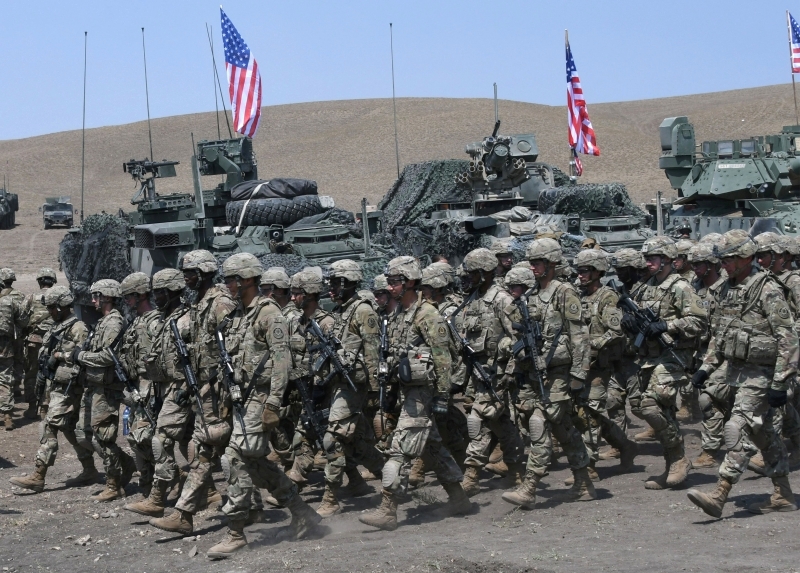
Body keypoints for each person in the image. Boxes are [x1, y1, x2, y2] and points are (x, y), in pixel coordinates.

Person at [209, 253, 320, 559]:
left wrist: (273, 401)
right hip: (243, 400)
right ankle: (303, 514)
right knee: (258, 463)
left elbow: (282, 359)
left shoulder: (268, 313)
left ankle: (236, 533)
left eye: (231, 279)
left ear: (245, 279)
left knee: (234, 459)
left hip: (261, 399)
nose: (227, 285)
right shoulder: (240, 315)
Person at [687, 229, 799, 517]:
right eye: (722, 259)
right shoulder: (725, 289)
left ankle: (720, 493)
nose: (723, 263)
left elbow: (787, 338)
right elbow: (721, 334)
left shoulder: (767, 289)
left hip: (762, 374)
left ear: (746, 258)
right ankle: (784, 494)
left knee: (737, 427)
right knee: (764, 434)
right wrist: (706, 367)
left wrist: (780, 381)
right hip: (735, 371)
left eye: (729, 258)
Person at [359, 256, 470, 531]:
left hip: (423, 393)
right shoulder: (398, 316)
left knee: (401, 448)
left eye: (395, 282)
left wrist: (443, 395)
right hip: (406, 391)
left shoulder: (427, 315)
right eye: (390, 281)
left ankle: (388, 509)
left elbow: (444, 359)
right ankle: (458, 498)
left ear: (410, 283)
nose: (390, 286)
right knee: (432, 446)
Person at [500, 238, 594, 509]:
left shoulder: (564, 292)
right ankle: (584, 482)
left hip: (560, 372)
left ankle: (529, 487)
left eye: (538, 263)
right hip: (535, 372)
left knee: (539, 423)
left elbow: (579, 335)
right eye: (531, 263)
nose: (533, 268)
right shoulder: (529, 296)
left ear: (551, 264)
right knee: (564, 429)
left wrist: (579, 373)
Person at [148, 250, 235, 534]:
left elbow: (231, 349)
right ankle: (185, 513)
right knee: (211, 450)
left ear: (206, 273)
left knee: (223, 452)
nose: (186, 278)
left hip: (220, 389)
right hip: (202, 387)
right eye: (184, 273)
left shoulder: (220, 303)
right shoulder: (198, 303)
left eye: (191, 273)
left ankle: (184, 513)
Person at [625, 236, 706, 490]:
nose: (648, 262)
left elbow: (699, 321)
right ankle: (673, 464)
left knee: (650, 406)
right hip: (648, 358)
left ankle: (679, 457)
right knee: (656, 410)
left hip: (673, 357)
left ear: (667, 260)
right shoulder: (643, 286)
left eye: (653, 258)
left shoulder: (680, 287)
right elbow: (631, 313)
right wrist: (627, 322)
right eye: (647, 258)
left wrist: (667, 325)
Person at [314, 259, 386, 517]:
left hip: (355, 386)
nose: (331, 289)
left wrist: (377, 393)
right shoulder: (341, 311)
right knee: (359, 443)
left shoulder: (363, 311)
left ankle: (330, 498)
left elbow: (372, 354)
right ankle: (391, 481)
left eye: (335, 283)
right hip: (339, 383)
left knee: (332, 439)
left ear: (347, 283)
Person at [8, 286, 95, 493]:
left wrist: (61, 359)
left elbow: (83, 359)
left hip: (69, 388)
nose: (50, 312)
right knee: (69, 429)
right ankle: (90, 468)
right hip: (54, 386)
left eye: (53, 308)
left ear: (62, 306)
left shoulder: (78, 328)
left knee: (49, 427)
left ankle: (38, 475)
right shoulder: (56, 327)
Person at [457, 248, 525, 497]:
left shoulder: (501, 300)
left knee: (479, 421)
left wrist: (509, 373)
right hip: (478, 374)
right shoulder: (472, 299)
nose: (468, 277)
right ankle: (517, 470)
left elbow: (518, 339)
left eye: (472, 273)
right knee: (502, 425)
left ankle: (471, 476)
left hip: (497, 375)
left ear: (484, 273)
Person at [131, 269, 192, 516]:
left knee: (162, 440)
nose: (155, 297)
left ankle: (157, 498)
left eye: (160, 292)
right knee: (189, 441)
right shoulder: (166, 319)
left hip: (181, 388)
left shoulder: (185, 320)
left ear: (172, 292)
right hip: (164, 388)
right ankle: (208, 493)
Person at [571, 249, 637, 476]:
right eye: (578, 271)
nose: (580, 275)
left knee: (589, 413)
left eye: (585, 271)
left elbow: (616, 331)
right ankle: (625, 446)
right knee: (584, 412)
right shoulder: (577, 296)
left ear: (598, 271)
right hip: (578, 365)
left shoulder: (607, 296)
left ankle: (588, 465)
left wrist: (593, 344)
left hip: (600, 365)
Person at [73, 279, 137, 501]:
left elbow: (108, 357)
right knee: (82, 433)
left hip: (107, 388)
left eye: (96, 296)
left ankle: (114, 483)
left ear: (107, 297)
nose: (92, 300)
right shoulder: (103, 322)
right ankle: (126, 463)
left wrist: (81, 356)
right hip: (94, 385)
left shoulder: (113, 324)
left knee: (103, 437)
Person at [116, 272, 160, 498]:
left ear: (141, 294)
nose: (127, 302)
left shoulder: (155, 321)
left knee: (143, 436)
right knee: (135, 438)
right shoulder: (137, 322)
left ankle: (159, 484)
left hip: (149, 385)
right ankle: (147, 485)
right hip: (135, 385)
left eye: (129, 297)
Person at [687, 243, 730, 469]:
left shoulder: (725, 289)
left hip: (723, 353)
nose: (694, 268)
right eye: (692, 264)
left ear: (711, 264)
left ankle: (710, 451)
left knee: (708, 399)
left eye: (698, 264)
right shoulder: (693, 287)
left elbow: (723, 329)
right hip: (701, 352)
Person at [605, 249, 648, 450]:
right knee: (613, 402)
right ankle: (620, 447)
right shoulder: (617, 292)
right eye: (617, 269)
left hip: (641, 358)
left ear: (634, 269)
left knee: (641, 406)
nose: (619, 273)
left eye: (623, 269)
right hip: (620, 355)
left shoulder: (647, 291)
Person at [20, 268, 57, 420]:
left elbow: (21, 317)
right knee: (50, 374)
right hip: (53, 342)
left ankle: (31, 407)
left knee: (31, 374)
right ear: (53, 281)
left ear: (39, 281)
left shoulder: (31, 297)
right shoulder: (59, 296)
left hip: (34, 341)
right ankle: (45, 408)